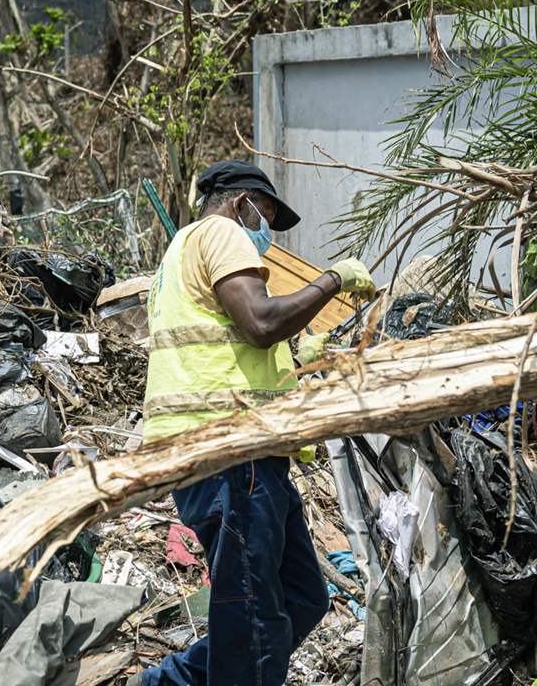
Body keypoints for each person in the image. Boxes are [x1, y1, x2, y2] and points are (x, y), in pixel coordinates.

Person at [133, 160, 377, 686]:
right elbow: (261, 322)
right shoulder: (222, 232)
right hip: (230, 453)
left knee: (301, 598)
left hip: (239, 454)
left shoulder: (179, 252)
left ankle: (164, 683)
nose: (265, 230)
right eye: (264, 213)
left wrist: (299, 353)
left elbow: (233, 347)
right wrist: (331, 280)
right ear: (241, 202)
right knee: (255, 620)